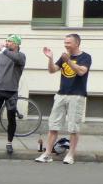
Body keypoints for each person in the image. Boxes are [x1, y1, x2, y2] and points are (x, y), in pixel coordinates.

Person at [35, 34, 92, 165]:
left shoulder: (85, 57)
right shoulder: (64, 57)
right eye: (65, 42)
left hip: (77, 95)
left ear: (77, 43)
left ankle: (70, 155)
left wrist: (69, 61)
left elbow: (81, 72)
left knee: (73, 127)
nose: (66, 45)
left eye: (68, 43)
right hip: (61, 95)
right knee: (53, 125)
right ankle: (47, 154)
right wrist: (50, 59)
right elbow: (52, 70)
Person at [0, 35, 26, 155]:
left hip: (11, 92)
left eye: (10, 41)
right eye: (6, 41)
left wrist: (3, 49)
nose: (7, 43)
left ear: (16, 44)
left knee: (11, 118)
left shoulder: (20, 56)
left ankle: (9, 143)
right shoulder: (1, 56)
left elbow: (15, 58)